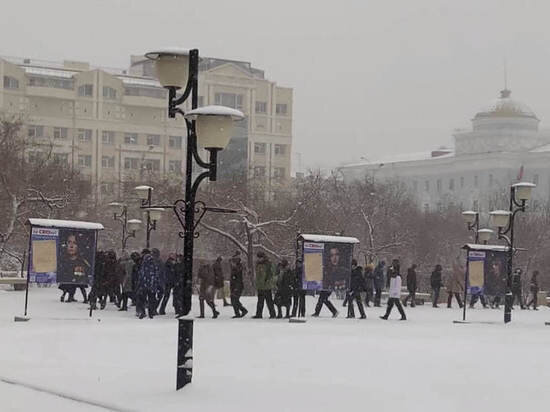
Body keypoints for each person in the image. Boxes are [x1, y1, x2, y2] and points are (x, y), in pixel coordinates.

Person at [58, 233, 92, 303]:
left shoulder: (82, 260)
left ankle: (84, 299)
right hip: (71, 279)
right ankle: (68, 297)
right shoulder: (63, 260)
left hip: (79, 278)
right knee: (69, 286)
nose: (71, 246)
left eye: (74, 243)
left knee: (80, 287)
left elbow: (88, 268)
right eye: (69, 242)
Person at [136, 249, 162, 319]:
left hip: (144, 285)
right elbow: (156, 275)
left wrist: (139, 284)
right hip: (151, 286)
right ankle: (151, 313)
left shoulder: (143, 265)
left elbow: (141, 276)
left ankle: (142, 312)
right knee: (151, 299)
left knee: (142, 299)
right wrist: (156, 284)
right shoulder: (154, 265)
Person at [253, 251, 276, 319]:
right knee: (260, 301)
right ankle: (259, 314)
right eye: (258, 258)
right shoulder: (258, 264)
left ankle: (272, 314)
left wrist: (267, 280)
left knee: (269, 301)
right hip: (260, 285)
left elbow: (271, 273)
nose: (259, 259)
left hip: (266, 286)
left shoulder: (268, 264)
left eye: (260, 257)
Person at [229, 252, 247, 318]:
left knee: (235, 299)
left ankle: (242, 311)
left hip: (238, 286)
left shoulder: (239, 267)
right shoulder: (234, 267)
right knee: (233, 299)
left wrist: (236, 287)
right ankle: (239, 312)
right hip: (234, 285)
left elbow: (239, 278)